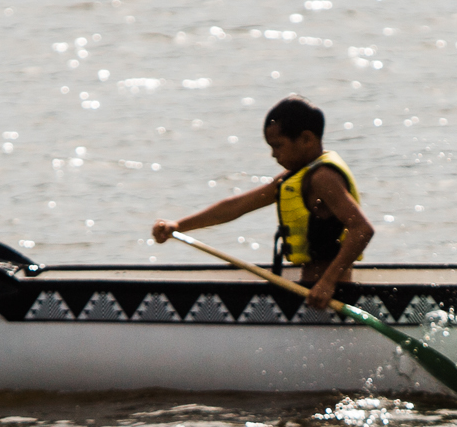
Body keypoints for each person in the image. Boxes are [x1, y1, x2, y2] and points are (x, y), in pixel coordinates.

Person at [152, 97, 374, 305]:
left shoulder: (323, 178)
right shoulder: (296, 177)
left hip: (331, 298)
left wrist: (328, 283)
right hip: (313, 292)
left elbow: (362, 229)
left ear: (306, 139)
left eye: (278, 146)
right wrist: (179, 226)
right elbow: (235, 206)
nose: (273, 155)